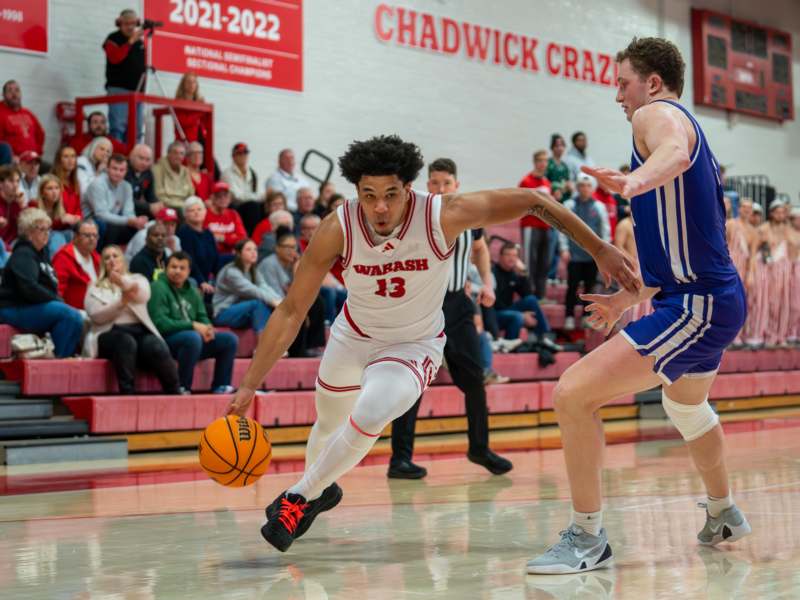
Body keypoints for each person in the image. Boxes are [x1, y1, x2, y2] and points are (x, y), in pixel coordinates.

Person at [226, 134, 636, 553]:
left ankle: (296, 497)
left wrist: (599, 247)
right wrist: (249, 383)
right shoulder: (339, 226)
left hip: (412, 345)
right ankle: (320, 488)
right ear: (356, 193)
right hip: (352, 337)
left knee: (370, 413)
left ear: (408, 188)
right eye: (369, 195)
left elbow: (535, 200)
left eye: (390, 194)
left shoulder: (441, 214)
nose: (380, 207)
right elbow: (292, 310)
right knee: (328, 426)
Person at [526, 37, 751, 575]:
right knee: (686, 408)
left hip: (697, 305)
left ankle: (587, 538)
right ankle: (723, 512)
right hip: (706, 296)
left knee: (573, 395)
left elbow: (670, 150)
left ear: (651, 82)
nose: (617, 94)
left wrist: (633, 182)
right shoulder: (676, 132)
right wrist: (631, 296)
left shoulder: (657, 115)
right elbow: (681, 246)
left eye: (621, 81)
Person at [389, 158, 513, 480]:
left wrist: (487, 283)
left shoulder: (471, 214)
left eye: (446, 183)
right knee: (413, 382)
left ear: (456, 185)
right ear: (427, 185)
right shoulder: (415, 217)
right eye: (434, 183)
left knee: (474, 379)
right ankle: (399, 459)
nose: (440, 188)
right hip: (423, 304)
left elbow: (482, 249)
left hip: (458, 304)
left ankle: (479, 448)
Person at [84, 245, 180, 394]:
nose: (111, 260)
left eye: (115, 256)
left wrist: (122, 283)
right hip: (108, 333)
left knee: (156, 345)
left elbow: (143, 295)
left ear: (123, 261)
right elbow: (96, 315)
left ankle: (174, 393)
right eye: (107, 257)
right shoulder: (94, 286)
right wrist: (121, 302)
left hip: (138, 331)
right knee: (125, 341)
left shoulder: (138, 279)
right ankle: (127, 393)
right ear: (102, 263)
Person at [148, 251, 238, 393]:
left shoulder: (192, 292)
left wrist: (208, 328)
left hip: (191, 342)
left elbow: (202, 316)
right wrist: (193, 325)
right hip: (165, 341)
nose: (177, 271)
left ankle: (221, 386)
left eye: (182, 268)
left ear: (189, 271)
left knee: (229, 339)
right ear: (166, 268)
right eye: (173, 267)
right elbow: (160, 323)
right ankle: (182, 386)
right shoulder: (157, 287)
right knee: (192, 337)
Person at [0, 208, 83, 357]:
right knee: (68, 315)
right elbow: (29, 288)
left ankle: (62, 358)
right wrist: (56, 300)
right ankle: (58, 361)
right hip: (14, 307)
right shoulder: (23, 254)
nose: (47, 233)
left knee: (76, 317)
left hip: (32, 305)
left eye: (48, 229)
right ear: (29, 232)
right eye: (42, 229)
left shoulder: (42, 254)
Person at [258, 226, 326, 357]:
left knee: (317, 301)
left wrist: (297, 268)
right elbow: (275, 295)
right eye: (287, 247)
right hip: (270, 304)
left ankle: (313, 346)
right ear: (277, 248)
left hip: (287, 300)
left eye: (294, 247)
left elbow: (308, 287)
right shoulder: (269, 264)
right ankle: (298, 352)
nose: (292, 251)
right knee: (297, 310)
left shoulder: (294, 263)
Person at [559, 173, 611, 330]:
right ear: (577, 187)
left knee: (590, 288)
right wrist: (564, 249)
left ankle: (585, 316)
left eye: (588, 186)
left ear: (593, 188)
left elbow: (605, 231)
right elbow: (562, 228)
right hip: (574, 254)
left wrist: (604, 252)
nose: (585, 188)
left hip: (592, 256)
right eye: (582, 185)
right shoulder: (569, 205)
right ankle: (568, 316)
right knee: (572, 286)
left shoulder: (599, 206)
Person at [213, 239, 282, 335]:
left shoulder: (254, 271)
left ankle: (276, 345)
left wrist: (281, 302)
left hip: (242, 313)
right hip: (223, 313)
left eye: (255, 249)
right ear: (238, 254)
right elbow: (253, 290)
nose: (253, 252)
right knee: (258, 303)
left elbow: (265, 287)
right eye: (248, 249)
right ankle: (263, 345)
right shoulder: (231, 272)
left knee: (269, 307)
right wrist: (274, 302)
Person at [492, 243, 557, 344]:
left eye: (514, 256)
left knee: (531, 300)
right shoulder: (493, 272)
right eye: (508, 255)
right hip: (494, 313)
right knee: (517, 317)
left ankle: (543, 337)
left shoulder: (513, 273)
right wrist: (522, 314)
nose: (511, 258)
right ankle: (509, 346)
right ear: (500, 256)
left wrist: (523, 273)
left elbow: (528, 294)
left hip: (507, 309)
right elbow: (495, 302)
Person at [83, 153, 146, 245]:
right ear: (107, 169)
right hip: (91, 219)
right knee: (113, 226)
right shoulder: (97, 184)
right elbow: (101, 214)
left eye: (121, 170)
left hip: (112, 220)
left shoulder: (126, 187)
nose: (118, 173)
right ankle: (105, 253)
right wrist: (128, 221)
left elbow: (128, 213)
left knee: (139, 228)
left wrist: (137, 221)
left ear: (126, 171)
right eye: (114, 169)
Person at [104, 9, 146, 143]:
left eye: (133, 24)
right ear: (120, 24)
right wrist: (130, 41)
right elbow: (115, 58)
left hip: (138, 91)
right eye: (126, 24)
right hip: (119, 89)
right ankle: (117, 158)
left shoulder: (140, 42)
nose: (130, 27)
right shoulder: (112, 38)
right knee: (118, 127)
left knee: (137, 130)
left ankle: (133, 160)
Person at [518, 149, 553, 299]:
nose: (543, 164)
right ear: (535, 162)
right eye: (540, 160)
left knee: (544, 263)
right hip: (530, 225)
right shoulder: (526, 181)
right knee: (529, 262)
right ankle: (529, 294)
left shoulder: (546, 182)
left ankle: (541, 295)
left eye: (545, 161)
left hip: (545, 226)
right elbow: (518, 203)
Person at [725, 198, 756, 345]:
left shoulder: (753, 231)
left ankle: (738, 336)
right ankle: (726, 337)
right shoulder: (731, 224)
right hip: (730, 265)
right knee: (728, 301)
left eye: (749, 208)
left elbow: (753, 255)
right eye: (744, 207)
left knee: (741, 302)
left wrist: (750, 274)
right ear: (740, 208)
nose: (746, 210)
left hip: (744, 268)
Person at [52, 219, 101, 311]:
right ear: (75, 237)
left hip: (99, 307)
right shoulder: (63, 257)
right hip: (76, 312)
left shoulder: (96, 257)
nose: (92, 239)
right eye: (87, 235)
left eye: (95, 235)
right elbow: (57, 292)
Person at [177, 196, 220, 298]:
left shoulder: (208, 233)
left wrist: (219, 279)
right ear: (185, 215)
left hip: (208, 278)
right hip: (192, 278)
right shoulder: (184, 232)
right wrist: (201, 282)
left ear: (205, 212)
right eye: (191, 210)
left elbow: (216, 259)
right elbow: (189, 260)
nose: (196, 212)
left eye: (199, 209)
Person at [29, 175, 81, 255]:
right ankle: (57, 264)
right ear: (42, 193)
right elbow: (36, 228)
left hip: (56, 236)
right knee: (57, 236)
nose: (54, 192)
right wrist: (61, 221)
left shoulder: (62, 207)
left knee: (71, 234)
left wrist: (74, 221)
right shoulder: (33, 205)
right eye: (50, 188)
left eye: (57, 188)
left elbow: (64, 225)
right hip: (36, 237)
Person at [222, 143, 261, 233]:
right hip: (235, 206)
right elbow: (237, 196)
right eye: (239, 153)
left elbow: (256, 191)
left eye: (245, 153)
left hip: (249, 206)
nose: (243, 156)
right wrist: (259, 197)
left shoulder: (252, 172)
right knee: (253, 206)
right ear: (233, 156)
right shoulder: (227, 174)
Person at [0, 80, 45, 159]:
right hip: (12, 162)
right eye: (10, 90)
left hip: (32, 160)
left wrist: (38, 152)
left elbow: (40, 134)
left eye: (17, 90)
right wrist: (12, 157)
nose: (14, 94)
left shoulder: (28, 113)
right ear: (3, 95)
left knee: (53, 169)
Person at [204, 182, 246, 257]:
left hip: (233, 254)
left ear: (230, 198)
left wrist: (222, 238)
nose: (223, 199)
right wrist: (232, 237)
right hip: (213, 255)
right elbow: (207, 239)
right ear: (212, 198)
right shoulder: (205, 214)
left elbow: (242, 238)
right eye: (219, 196)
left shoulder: (233, 214)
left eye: (226, 196)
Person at [153, 141, 194, 211]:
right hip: (166, 208)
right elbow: (159, 196)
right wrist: (182, 205)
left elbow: (191, 192)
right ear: (168, 154)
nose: (178, 156)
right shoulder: (157, 169)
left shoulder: (185, 171)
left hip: (184, 207)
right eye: (175, 153)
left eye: (181, 154)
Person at [126, 144, 160, 217]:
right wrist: (149, 207)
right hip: (122, 208)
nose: (144, 163)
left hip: (138, 208)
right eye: (141, 158)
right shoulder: (123, 169)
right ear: (132, 156)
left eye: (147, 160)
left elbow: (151, 196)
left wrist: (157, 206)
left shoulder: (148, 173)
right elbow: (126, 199)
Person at [174, 72, 208, 145]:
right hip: (184, 142)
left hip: (200, 140)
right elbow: (184, 121)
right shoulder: (178, 102)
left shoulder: (200, 102)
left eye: (194, 82)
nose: (191, 84)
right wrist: (200, 112)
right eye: (189, 82)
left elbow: (205, 123)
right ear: (183, 84)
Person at [52, 146, 83, 219]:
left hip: (74, 224)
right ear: (59, 160)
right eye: (66, 157)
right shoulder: (52, 181)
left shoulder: (76, 183)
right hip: (58, 224)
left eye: (73, 156)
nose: (70, 160)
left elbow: (78, 208)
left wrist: (77, 218)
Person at [0, 165, 27, 247]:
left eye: (18, 181)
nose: (15, 185)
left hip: (13, 244)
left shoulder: (18, 202)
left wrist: (23, 207)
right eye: (11, 181)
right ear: (1, 184)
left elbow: (27, 228)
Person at [545, 134, 574, 202]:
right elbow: (544, 181)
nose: (560, 148)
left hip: (564, 199)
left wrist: (570, 187)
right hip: (551, 200)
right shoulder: (548, 164)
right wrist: (554, 189)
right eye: (557, 146)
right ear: (552, 147)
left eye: (562, 145)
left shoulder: (564, 166)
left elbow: (567, 181)